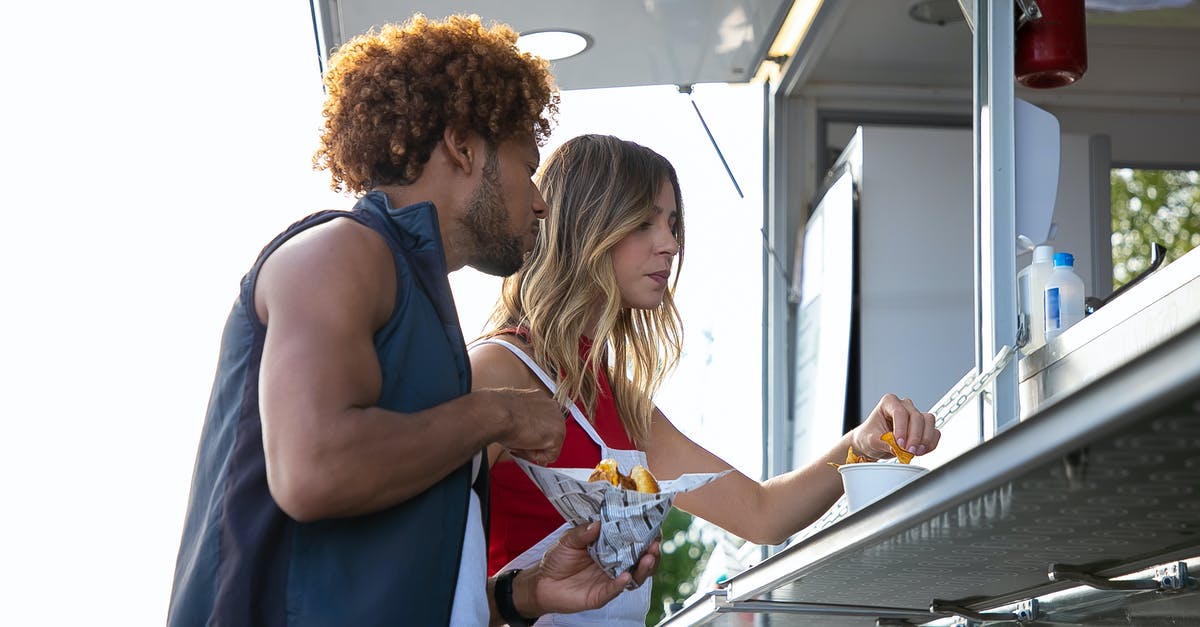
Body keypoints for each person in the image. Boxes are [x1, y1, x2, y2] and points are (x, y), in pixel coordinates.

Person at [167, 18, 657, 627]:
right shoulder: (338, 253)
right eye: (527, 165)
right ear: (462, 145)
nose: (538, 200)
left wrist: (520, 594)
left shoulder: (422, 300)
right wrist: (497, 414)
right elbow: (313, 471)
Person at [469, 134, 942, 624]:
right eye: (645, 221)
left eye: (672, 224)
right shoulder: (498, 369)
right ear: (587, 225)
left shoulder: (623, 401)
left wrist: (860, 447)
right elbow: (424, 577)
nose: (670, 244)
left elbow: (762, 514)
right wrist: (517, 597)